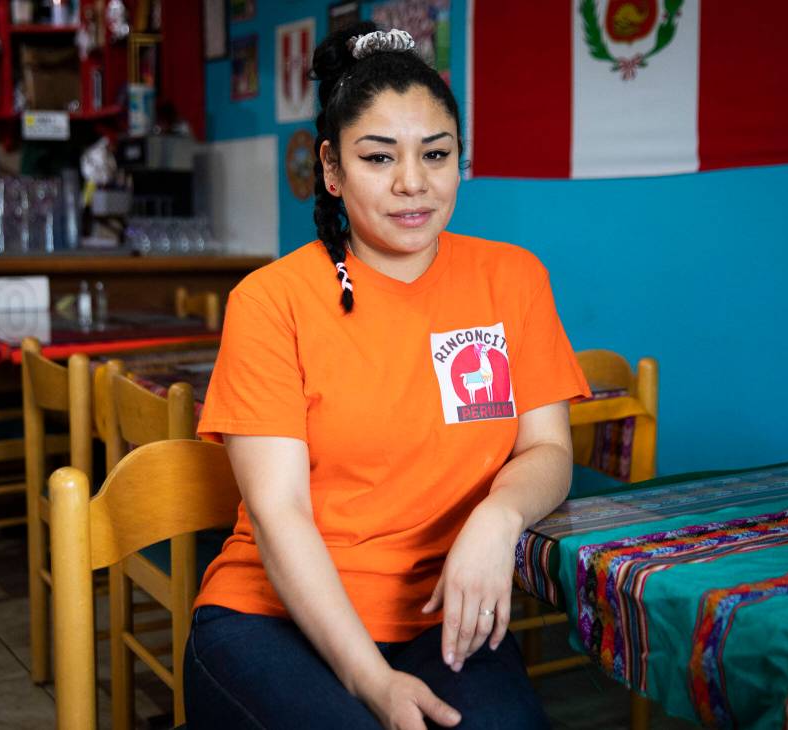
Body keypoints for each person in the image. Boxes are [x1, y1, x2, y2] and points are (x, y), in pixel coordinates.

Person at [184, 22, 590, 730]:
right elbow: (280, 516)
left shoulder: (512, 278)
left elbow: (549, 451)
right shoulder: (270, 301)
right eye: (378, 157)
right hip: (273, 613)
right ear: (332, 170)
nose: (413, 182)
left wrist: (499, 517)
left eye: (437, 154)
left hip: (439, 618)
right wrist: (373, 683)